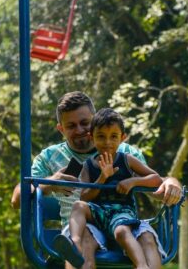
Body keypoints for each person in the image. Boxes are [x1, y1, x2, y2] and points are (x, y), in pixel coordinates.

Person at [11, 91, 182, 269]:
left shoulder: (123, 153)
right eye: (71, 126)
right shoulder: (49, 157)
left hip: (123, 223)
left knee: (147, 238)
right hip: (85, 224)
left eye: (85, 123)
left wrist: (171, 182)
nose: (79, 130)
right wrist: (50, 183)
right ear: (61, 129)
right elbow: (17, 200)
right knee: (83, 240)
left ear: (94, 122)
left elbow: (154, 185)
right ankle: (75, 250)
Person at [61, 108, 163, 269]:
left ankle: (142, 265)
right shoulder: (88, 165)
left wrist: (133, 181)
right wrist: (102, 177)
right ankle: (75, 243)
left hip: (121, 211)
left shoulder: (127, 160)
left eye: (113, 137)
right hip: (99, 212)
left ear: (122, 138)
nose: (107, 142)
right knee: (78, 206)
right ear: (92, 138)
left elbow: (156, 179)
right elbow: (85, 197)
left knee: (122, 231)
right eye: (101, 136)